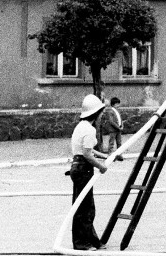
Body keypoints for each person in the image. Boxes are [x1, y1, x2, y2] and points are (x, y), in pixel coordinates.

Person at [69, 94, 108, 251]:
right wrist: (101, 166)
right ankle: (82, 243)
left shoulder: (81, 127)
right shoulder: (90, 130)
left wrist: (106, 156)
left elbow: (87, 150)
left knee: (84, 206)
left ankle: (91, 240)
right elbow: (87, 154)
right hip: (83, 168)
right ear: (96, 114)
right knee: (85, 209)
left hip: (78, 167)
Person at [101, 96, 123, 161]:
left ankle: (119, 154)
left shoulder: (117, 111)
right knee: (111, 143)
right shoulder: (110, 111)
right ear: (114, 104)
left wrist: (122, 126)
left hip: (118, 129)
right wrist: (118, 127)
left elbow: (120, 119)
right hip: (113, 129)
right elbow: (111, 121)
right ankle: (110, 155)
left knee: (119, 142)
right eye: (117, 104)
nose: (118, 105)